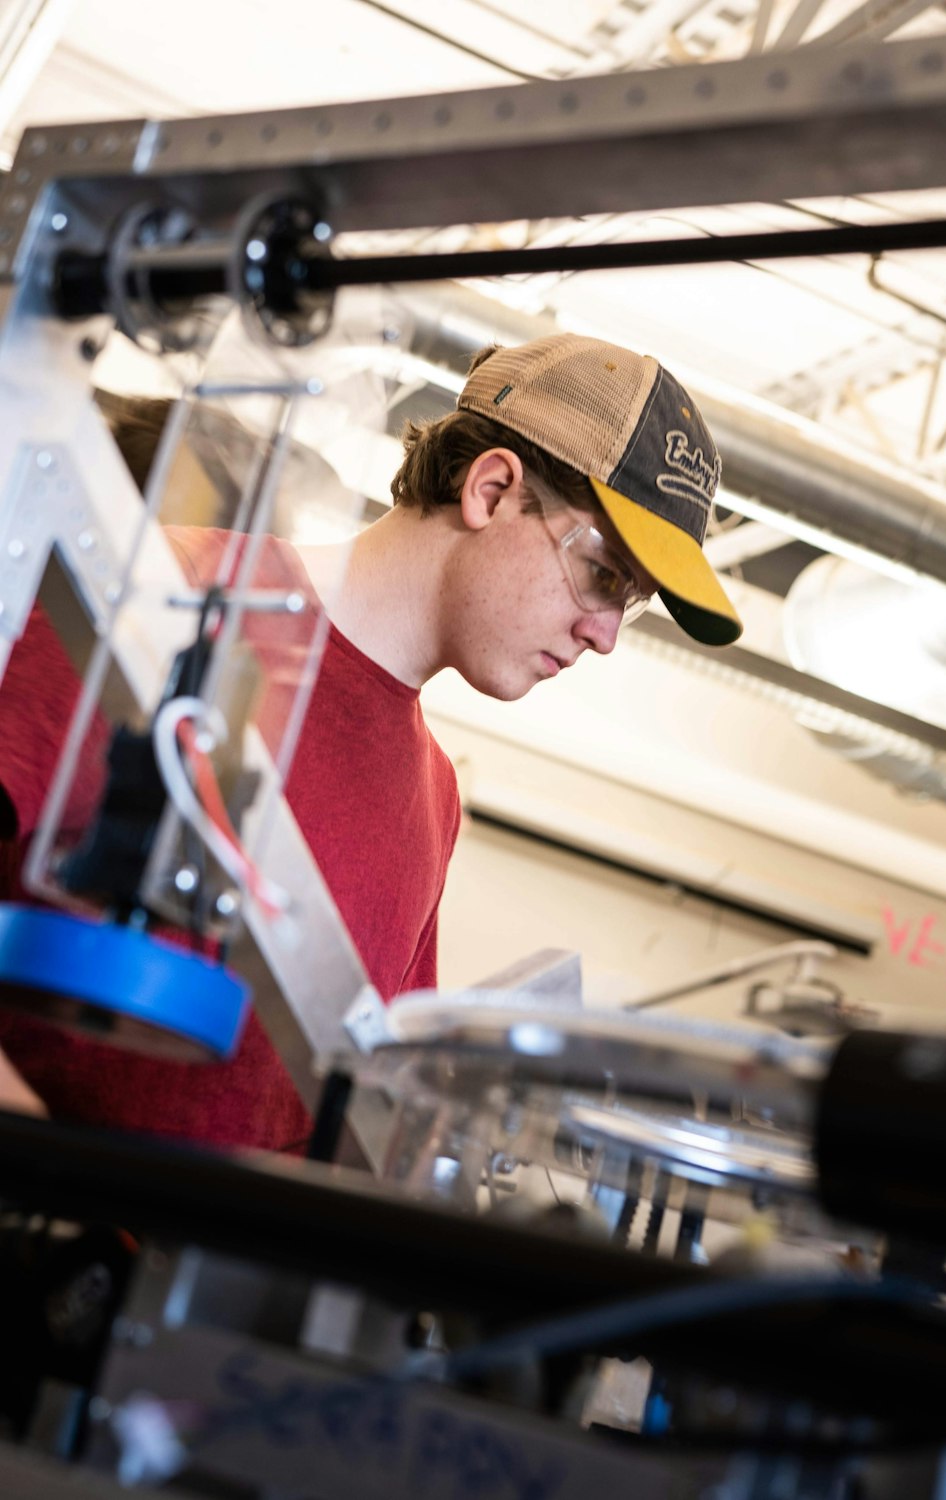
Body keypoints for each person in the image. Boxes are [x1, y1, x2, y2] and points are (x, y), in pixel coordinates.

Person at [0, 332, 741, 1148]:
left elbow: (338, 1109)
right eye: (604, 573)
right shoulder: (165, 605)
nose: (605, 637)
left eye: (628, 602)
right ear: (491, 490)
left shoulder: (435, 797)